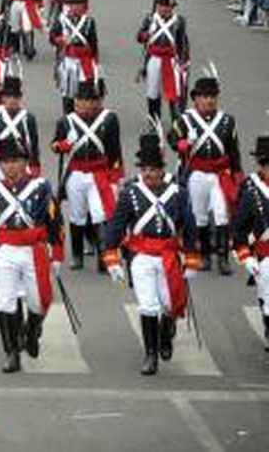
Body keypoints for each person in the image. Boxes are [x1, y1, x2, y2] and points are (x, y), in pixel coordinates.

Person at [103, 134, 198, 375]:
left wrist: (192, 258)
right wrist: (111, 257)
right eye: (145, 170)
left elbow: (189, 226)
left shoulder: (178, 192)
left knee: (169, 304)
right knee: (147, 305)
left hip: (168, 254)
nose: (149, 174)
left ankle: (166, 332)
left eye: (154, 170)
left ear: (161, 170)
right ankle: (150, 354)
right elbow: (115, 225)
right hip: (141, 255)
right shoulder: (130, 193)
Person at [0, 139, 63, 374]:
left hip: (34, 250)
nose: (11, 166)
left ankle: (31, 330)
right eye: (5, 162)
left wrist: (58, 254)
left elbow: (54, 222)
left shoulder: (41, 187)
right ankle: (11, 353)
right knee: (5, 302)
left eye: (16, 161)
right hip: (4, 251)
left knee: (38, 302)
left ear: (25, 163)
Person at [169, 76, 241, 275]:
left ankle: (223, 259)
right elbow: (172, 138)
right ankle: (205, 256)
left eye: (212, 97)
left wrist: (237, 175)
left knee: (221, 213)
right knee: (199, 216)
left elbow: (233, 151)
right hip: (197, 174)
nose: (209, 100)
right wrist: (182, 144)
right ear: (196, 99)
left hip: (219, 174)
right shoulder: (185, 120)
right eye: (205, 97)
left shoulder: (227, 121)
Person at [52, 82, 123, 272]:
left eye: (91, 100)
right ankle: (77, 256)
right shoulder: (66, 122)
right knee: (77, 215)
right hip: (76, 173)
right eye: (82, 100)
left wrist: (116, 177)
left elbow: (115, 150)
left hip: (98, 173)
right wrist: (63, 145)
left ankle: (103, 256)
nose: (86, 105)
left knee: (101, 214)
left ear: (98, 102)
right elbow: (54, 145)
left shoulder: (109, 119)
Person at [233, 134, 269, 351]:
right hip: (265, 252)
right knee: (266, 294)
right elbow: (239, 225)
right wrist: (245, 253)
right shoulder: (251, 188)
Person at [137, 0, 190, 122]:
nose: (166, 9)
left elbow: (182, 43)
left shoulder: (179, 21)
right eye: (163, 5)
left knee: (175, 93)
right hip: (154, 58)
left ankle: (176, 121)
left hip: (171, 60)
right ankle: (154, 120)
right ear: (157, 5)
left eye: (170, 6)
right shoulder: (150, 19)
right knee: (152, 92)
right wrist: (147, 34)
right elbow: (139, 37)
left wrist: (183, 62)